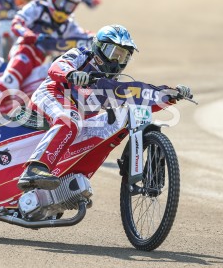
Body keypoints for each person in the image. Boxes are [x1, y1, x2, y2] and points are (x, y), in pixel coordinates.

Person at [17, 24, 192, 191]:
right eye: (113, 53)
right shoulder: (81, 55)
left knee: (103, 135)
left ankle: (65, 187)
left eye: (123, 56)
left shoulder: (110, 86)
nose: (117, 61)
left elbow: (141, 95)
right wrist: (71, 74)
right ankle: (35, 168)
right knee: (70, 120)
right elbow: (57, 66)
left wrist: (170, 94)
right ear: (98, 48)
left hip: (73, 118)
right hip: (50, 94)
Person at [0, 0, 92, 122]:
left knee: (27, 95)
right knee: (10, 82)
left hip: (40, 62)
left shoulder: (69, 25)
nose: (63, 8)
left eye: (69, 6)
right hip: (24, 50)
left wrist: (98, 39)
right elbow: (17, 23)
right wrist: (30, 35)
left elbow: (84, 36)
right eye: (60, 2)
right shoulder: (37, 8)